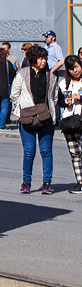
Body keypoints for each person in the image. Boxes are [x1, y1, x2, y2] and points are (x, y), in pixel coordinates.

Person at [11, 44, 54, 194]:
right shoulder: (22, 74)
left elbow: (53, 96)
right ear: (33, 59)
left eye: (45, 58)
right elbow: (14, 94)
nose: (43, 61)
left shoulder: (50, 75)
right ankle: (26, 183)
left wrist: (52, 112)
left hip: (45, 118)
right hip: (27, 118)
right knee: (29, 152)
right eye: (40, 58)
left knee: (46, 151)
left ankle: (47, 183)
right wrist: (21, 110)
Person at [58, 55, 82, 195]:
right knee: (75, 153)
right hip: (69, 121)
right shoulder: (64, 84)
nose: (75, 71)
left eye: (77, 67)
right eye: (72, 68)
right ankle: (80, 182)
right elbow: (59, 101)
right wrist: (64, 101)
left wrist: (80, 97)